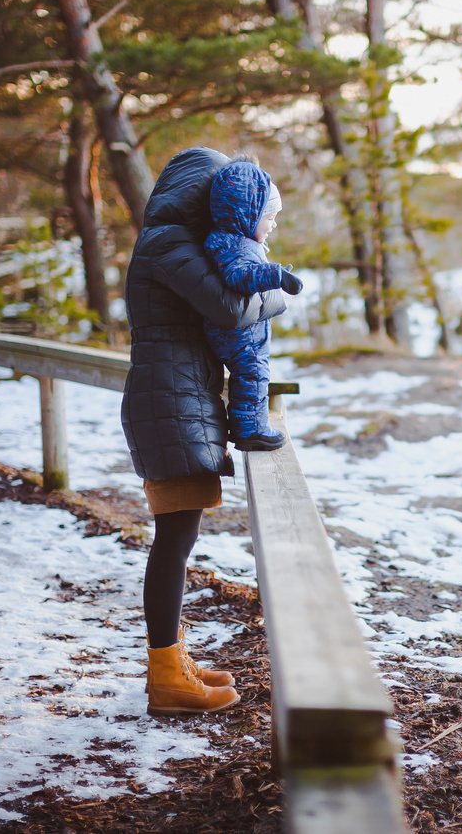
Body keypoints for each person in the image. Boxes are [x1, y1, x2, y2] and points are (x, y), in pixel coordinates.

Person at [119, 147, 286, 718]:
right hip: (171, 401)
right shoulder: (168, 244)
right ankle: (166, 676)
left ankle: (173, 661)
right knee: (173, 542)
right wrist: (278, 291)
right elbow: (231, 309)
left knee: (179, 539)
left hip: (179, 399)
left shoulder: (176, 243)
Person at [200, 160, 303, 452]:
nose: (273, 225)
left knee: (250, 376)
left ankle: (246, 425)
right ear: (249, 215)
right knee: (253, 375)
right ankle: (251, 431)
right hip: (239, 336)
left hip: (242, 331)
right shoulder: (235, 245)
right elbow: (239, 276)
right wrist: (276, 276)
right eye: (269, 217)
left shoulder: (233, 240)